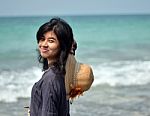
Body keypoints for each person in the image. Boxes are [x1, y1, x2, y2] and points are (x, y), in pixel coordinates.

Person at [30, 17, 75, 116]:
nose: (44, 44)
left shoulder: (51, 78)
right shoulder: (62, 74)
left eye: (51, 41)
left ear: (62, 46)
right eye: (42, 39)